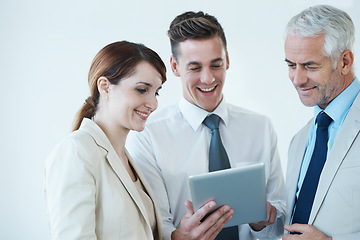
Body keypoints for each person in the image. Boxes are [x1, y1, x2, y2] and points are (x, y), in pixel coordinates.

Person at [126, 11, 286, 240]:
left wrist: (263, 222)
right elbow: (153, 225)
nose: (208, 78)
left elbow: (279, 219)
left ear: (228, 60)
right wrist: (180, 236)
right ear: (175, 66)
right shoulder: (148, 135)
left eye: (216, 65)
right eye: (194, 68)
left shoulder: (261, 128)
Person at [44, 41, 167, 240]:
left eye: (156, 92)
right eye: (142, 90)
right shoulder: (76, 151)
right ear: (105, 87)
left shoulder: (127, 158)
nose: (153, 104)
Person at [283, 5, 360, 239]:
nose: (298, 79)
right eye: (291, 65)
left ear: (345, 61)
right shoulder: (300, 140)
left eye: (310, 66)